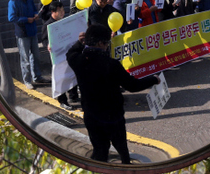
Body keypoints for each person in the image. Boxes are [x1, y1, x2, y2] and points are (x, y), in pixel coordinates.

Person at [66, 24, 160, 163]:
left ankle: (101, 173)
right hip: (113, 118)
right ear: (100, 43)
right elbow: (132, 85)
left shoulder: (77, 61)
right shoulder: (111, 64)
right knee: (122, 151)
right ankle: (127, 172)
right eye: (106, 43)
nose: (107, 46)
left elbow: (70, 53)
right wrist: (153, 79)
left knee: (100, 152)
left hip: (91, 116)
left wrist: (80, 43)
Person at [8, 0, 49, 88]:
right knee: (25, 59)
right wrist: (26, 19)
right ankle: (27, 81)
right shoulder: (13, 1)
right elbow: (11, 18)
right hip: (22, 34)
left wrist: (36, 15)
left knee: (35, 56)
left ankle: (37, 76)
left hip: (32, 32)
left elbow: (35, 10)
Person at [40, 1, 74, 110]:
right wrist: (48, 45)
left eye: (63, 10)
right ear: (52, 12)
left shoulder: (65, 21)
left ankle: (73, 96)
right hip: (57, 56)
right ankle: (62, 100)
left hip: (67, 52)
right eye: (59, 11)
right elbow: (44, 40)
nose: (62, 13)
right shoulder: (48, 25)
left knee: (71, 73)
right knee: (60, 77)